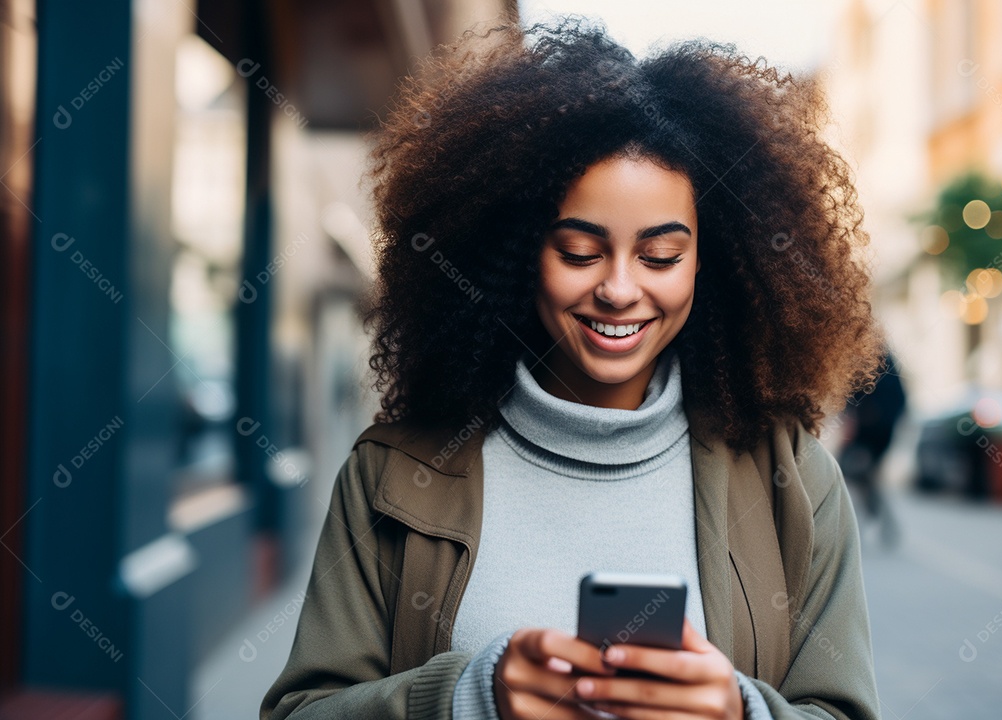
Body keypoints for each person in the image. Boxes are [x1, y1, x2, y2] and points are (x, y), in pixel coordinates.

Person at [261, 14, 886, 720]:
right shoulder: (391, 476)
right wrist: (470, 696)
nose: (619, 288)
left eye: (660, 256)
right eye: (580, 251)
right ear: (518, 254)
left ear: (708, 263)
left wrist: (743, 713)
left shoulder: (792, 481)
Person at [837, 350, 907, 548]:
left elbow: (892, 402)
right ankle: (882, 522)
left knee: (857, 474)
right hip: (871, 432)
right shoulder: (874, 358)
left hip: (872, 434)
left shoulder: (876, 360)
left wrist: (864, 417)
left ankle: (873, 523)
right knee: (864, 476)